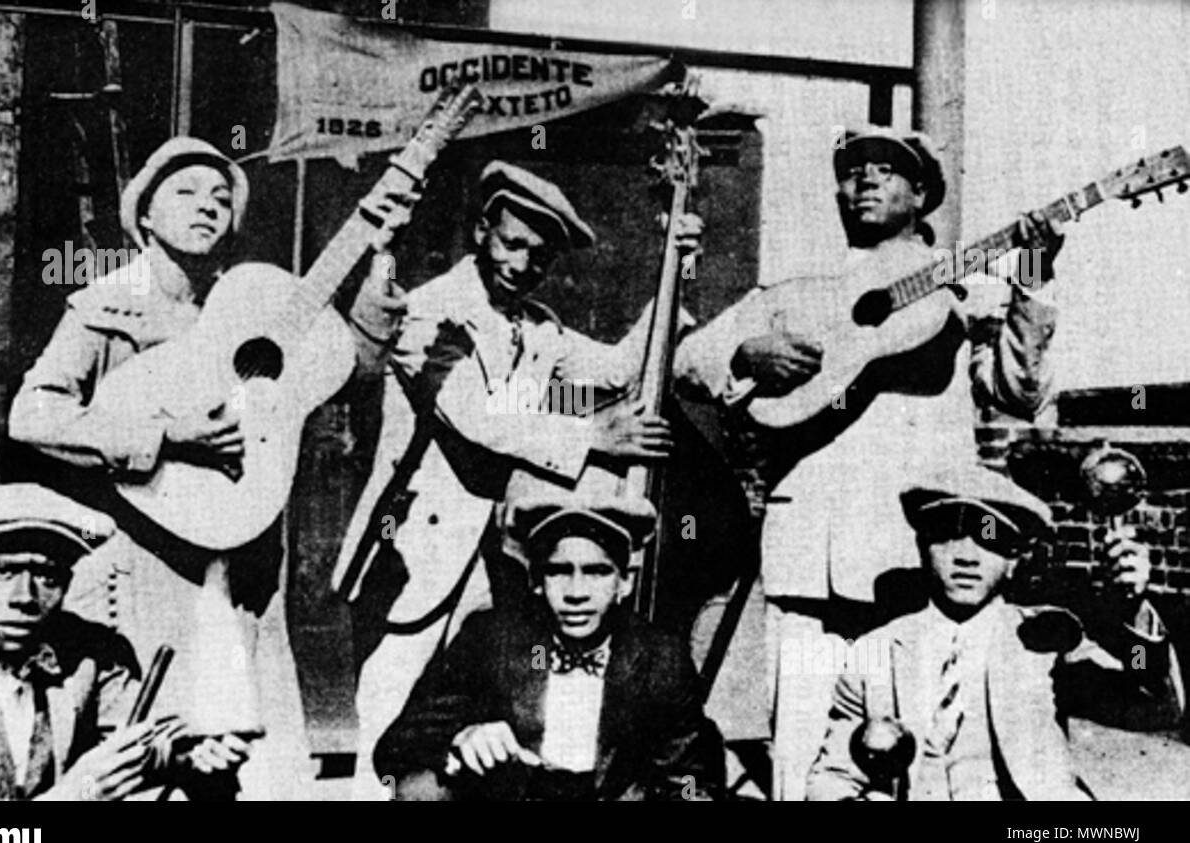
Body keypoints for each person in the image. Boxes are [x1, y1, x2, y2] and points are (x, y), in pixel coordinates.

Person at [8, 136, 410, 799]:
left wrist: (376, 276)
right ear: (145, 215)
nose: (207, 206)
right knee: (154, 757)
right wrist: (163, 438)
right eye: (185, 192)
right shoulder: (107, 307)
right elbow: (33, 415)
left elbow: (347, 373)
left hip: (246, 572)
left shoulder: (251, 305)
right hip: (145, 569)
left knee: (261, 763)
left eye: (222, 197)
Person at [675, 126, 1066, 800]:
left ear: (921, 194)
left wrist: (1034, 271)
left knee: (920, 763)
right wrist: (745, 358)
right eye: (853, 169)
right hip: (809, 563)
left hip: (913, 564)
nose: (865, 181)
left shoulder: (961, 289)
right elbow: (686, 361)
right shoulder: (797, 288)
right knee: (802, 766)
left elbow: (1019, 392)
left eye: (888, 170)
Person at [335, 160, 699, 798]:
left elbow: (616, 373)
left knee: (483, 736)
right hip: (416, 555)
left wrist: (676, 271)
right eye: (513, 243)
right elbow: (475, 416)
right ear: (482, 231)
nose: (525, 264)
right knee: (394, 725)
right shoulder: (428, 312)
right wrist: (590, 434)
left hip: (498, 563)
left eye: (541, 255)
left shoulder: (539, 329)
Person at [805, 464, 1183, 801]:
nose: (966, 555)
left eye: (990, 537)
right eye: (948, 534)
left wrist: (1134, 609)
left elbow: (1152, 708)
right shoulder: (877, 651)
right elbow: (833, 776)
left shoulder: (1043, 638)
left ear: (1014, 560)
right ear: (922, 546)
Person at [0, 484, 249, 800]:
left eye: (47, 576)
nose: (25, 597)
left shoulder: (91, 654)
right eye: (5, 571)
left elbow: (141, 745)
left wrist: (192, 756)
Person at [373, 491, 725, 801]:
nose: (576, 592)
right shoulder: (491, 638)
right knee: (420, 789)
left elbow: (692, 776)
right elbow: (396, 747)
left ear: (624, 582)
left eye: (597, 572)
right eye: (559, 571)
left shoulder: (660, 655)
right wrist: (461, 739)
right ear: (537, 581)